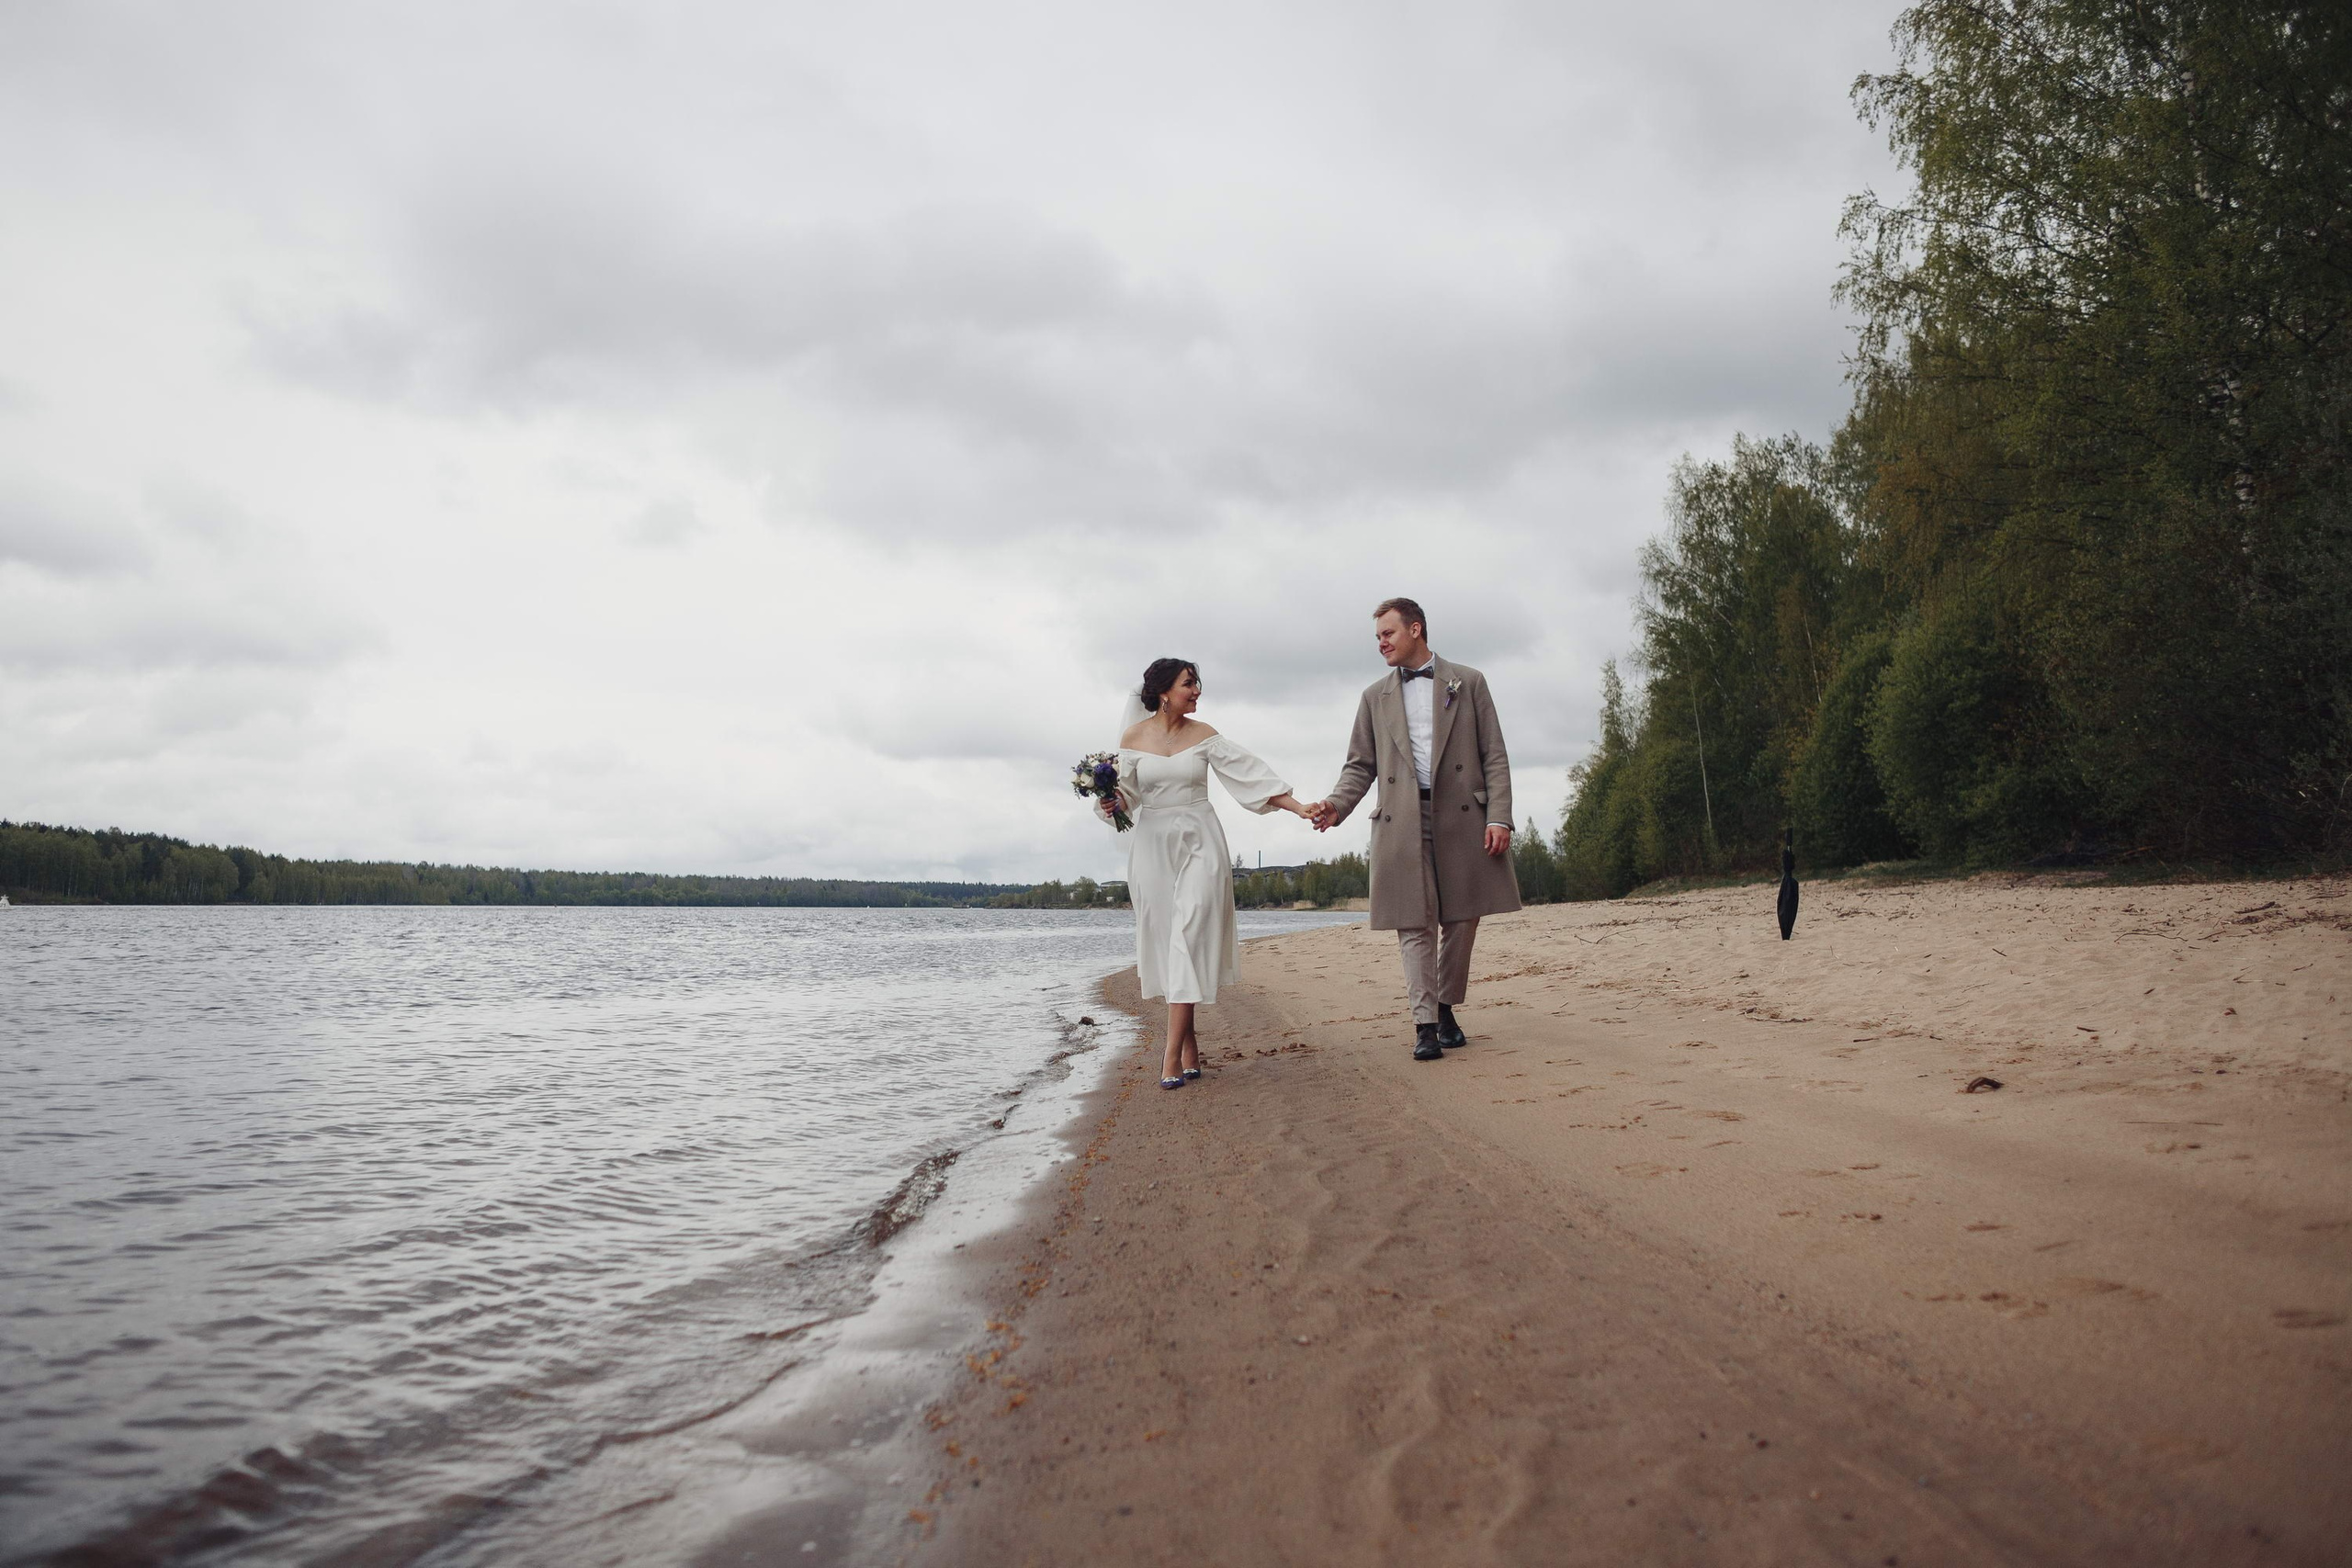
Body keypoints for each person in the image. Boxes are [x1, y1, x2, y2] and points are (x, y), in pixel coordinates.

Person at [1306, 599, 1519, 1061]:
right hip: (1402, 818)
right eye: (1377, 637)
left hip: (1463, 816)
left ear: (1415, 629)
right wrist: (1336, 806)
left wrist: (1499, 816)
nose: (1381, 643)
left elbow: (1494, 755)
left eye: (1388, 634)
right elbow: (1359, 766)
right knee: (1414, 921)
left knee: (1462, 918)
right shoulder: (1373, 697)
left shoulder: (1469, 682)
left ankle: (1444, 1008)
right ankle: (1424, 1025)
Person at [1114, 658, 1317, 1089]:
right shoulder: (1132, 739)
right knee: (1168, 944)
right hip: (1151, 847)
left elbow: (1251, 776)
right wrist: (1110, 802)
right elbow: (1125, 799)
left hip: (1200, 841)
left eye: (1197, 683)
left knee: (1188, 937)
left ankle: (1170, 1055)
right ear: (1164, 692)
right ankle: (1190, 1046)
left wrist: (1298, 808)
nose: (1197, 691)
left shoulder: (1205, 735)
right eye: (1189, 684)